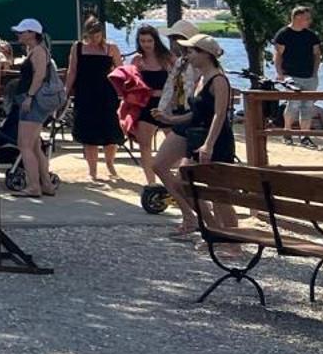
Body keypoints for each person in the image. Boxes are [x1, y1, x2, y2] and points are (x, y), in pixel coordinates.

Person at [150, 34, 237, 237]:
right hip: (197, 136)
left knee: (218, 194)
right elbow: (196, 113)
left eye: (191, 51)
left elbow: (220, 114)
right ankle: (212, 229)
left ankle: (234, 242)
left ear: (205, 54)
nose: (187, 55)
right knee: (182, 182)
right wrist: (170, 120)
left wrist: (209, 144)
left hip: (216, 140)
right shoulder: (201, 78)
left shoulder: (218, 79)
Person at [9, 19, 66, 198]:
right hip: (37, 102)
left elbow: (40, 75)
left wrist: (30, 97)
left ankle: (34, 186)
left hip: (35, 102)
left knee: (24, 144)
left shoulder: (39, 51)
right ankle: (46, 184)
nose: (18, 35)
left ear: (32, 33)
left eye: (22, 32)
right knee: (34, 146)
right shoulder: (34, 50)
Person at [66, 14, 125, 184]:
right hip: (85, 93)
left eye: (97, 35)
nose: (94, 39)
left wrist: (123, 91)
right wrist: (66, 90)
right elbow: (72, 71)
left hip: (106, 93)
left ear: (102, 34)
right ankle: (92, 170)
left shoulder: (110, 48)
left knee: (110, 130)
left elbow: (120, 71)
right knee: (89, 133)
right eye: (91, 36)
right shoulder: (77, 47)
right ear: (85, 34)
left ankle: (110, 163)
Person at [117, 25, 175, 187]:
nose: (146, 44)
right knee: (145, 144)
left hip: (165, 104)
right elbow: (131, 83)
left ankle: (172, 178)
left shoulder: (167, 58)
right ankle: (151, 183)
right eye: (142, 41)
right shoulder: (137, 60)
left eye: (149, 40)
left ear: (155, 40)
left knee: (174, 142)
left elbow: (179, 80)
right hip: (145, 104)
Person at [271, 6, 323, 130]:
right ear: (297, 17)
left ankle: (305, 135)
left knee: (308, 106)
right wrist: (280, 73)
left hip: (309, 76)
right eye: (307, 18)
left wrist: (315, 73)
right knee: (293, 105)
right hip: (291, 75)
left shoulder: (311, 35)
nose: (309, 21)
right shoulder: (284, 34)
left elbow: (317, 54)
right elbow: (278, 55)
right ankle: (287, 131)